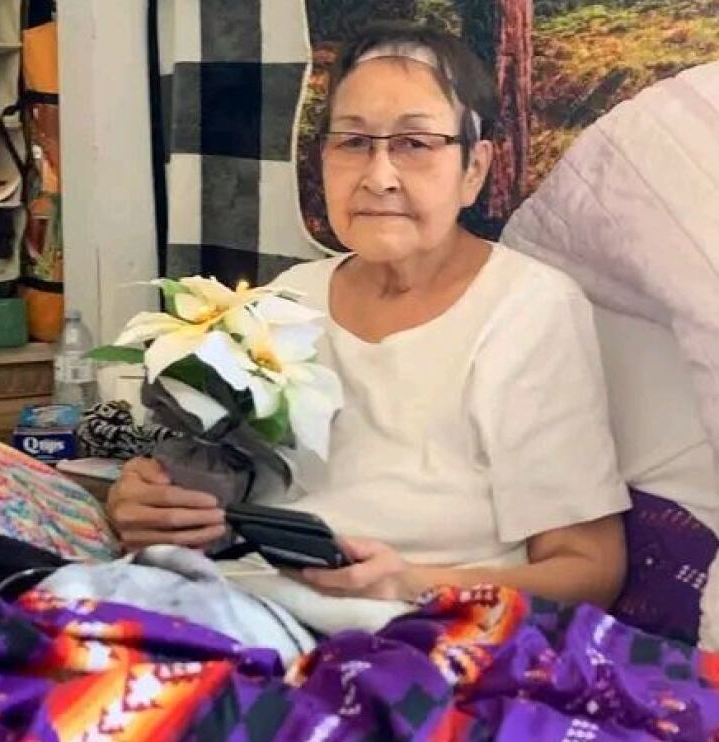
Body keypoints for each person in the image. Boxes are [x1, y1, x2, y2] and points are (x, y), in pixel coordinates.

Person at [108, 22, 629, 610]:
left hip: (402, 632)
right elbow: (228, 489)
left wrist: (407, 581)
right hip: (236, 594)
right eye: (352, 142)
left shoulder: (529, 310)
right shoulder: (289, 299)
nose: (378, 177)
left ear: (475, 169)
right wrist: (150, 502)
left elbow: (590, 571)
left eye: (415, 143)